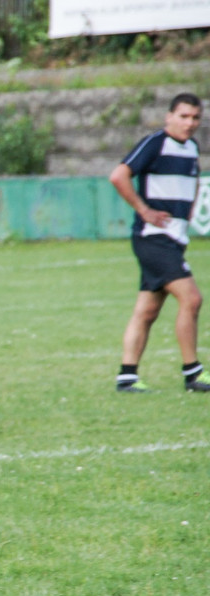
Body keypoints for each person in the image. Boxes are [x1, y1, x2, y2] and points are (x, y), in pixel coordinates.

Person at [111, 93, 210, 393]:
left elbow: (191, 183)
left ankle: (127, 376)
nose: (190, 123)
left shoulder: (192, 148)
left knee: (147, 310)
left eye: (195, 118)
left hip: (174, 239)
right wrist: (144, 210)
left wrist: (187, 216)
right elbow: (118, 175)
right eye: (183, 116)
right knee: (191, 299)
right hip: (153, 239)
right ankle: (193, 373)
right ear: (169, 117)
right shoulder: (155, 142)